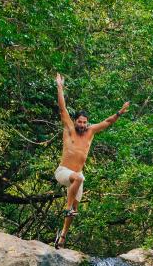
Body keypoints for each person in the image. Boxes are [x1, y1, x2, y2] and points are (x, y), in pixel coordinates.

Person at [51, 72, 128, 249]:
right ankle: (67, 206)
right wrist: (60, 86)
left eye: (85, 122)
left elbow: (108, 122)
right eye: (80, 121)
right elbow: (62, 109)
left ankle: (62, 237)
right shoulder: (69, 128)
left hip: (77, 174)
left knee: (75, 208)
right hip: (63, 172)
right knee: (78, 180)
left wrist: (120, 112)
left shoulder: (90, 132)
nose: (82, 125)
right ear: (75, 121)